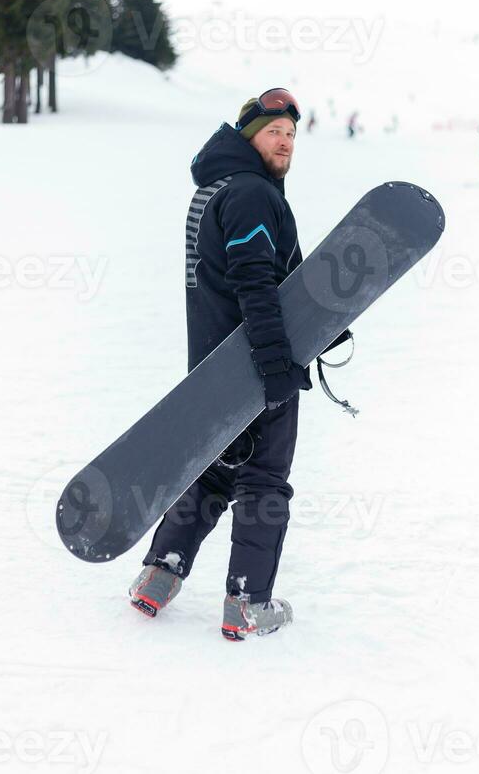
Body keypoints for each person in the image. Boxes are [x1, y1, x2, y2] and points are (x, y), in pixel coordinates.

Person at [129, 88, 313, 641]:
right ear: (248, 136)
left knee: (211, 470)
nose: (283, 142)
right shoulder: (254, 194)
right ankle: (248, 604)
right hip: (255, 362)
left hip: (213, 366)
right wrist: (276, 362)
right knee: (263, 481)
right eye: (272, 131)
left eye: (290, 135)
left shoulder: (215, 189)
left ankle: (159, 575)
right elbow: (253, 280)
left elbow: (236, 280)